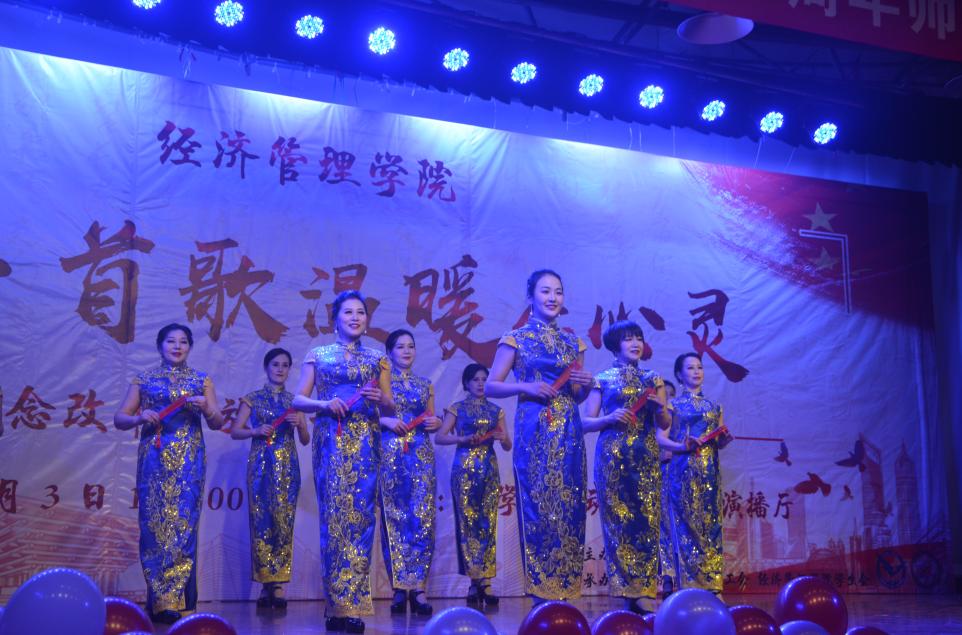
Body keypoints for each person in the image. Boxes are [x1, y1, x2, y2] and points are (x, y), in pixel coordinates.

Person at [484, 269, 593, 603]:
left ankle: (566, 590)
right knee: (538, 506)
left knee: (570, 506)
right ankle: (540, 594)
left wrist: (585, 386)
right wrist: (527, 387)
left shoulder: (574, 343)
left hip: (569, 432)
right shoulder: (515, 339)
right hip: (534, 429)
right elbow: (491, 386)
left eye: (558, 292)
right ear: (530, 296)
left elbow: (576, 396)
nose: (552, 298)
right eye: (545, 291)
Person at [293, 291, 393, 633]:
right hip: (331, 443)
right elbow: (298, 399)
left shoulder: (378, 359)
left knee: (361, 519)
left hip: (366, 442)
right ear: (335, 318)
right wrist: (324, 405)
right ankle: (336, 604)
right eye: (348, 312)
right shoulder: (318, 354)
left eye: (360, 312)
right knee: (335, 520)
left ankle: (352, 606)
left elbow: (391, 405)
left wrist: (380, 398)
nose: (355, 318)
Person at [113, 323, 225, 624]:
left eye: (183, 342)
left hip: (189, 460)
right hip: (154, 459)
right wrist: (139, 417)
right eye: (171, 341)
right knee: (154, 526)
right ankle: (159, 598)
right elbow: (120, 418)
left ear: (190, 347)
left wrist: (207, 408)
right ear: (159, 345)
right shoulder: (144, 379)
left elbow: (217, 422)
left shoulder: (201, 380)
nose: (177, 346)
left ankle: (176, 599)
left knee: (183, 525)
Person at [581, 321, 671, 614]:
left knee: (647, 520)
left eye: (639, 338)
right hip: (612, 457)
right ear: (615, 345)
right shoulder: (602, 379)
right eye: (628, 339)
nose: (635, 344)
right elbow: (585, 422)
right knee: (618, 521)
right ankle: (626, 589)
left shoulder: (653, 378)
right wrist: (609, 418)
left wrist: (659, 409)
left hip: (645, 456)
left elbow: (665, 423)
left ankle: (644, 589)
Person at [230, 347, 310, 609]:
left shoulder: (295, 402)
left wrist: (300, 424)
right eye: (275, 364)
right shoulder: (252, 399)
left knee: (284, 522)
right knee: (261, 520)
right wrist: (255, 431)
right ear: (266, 367)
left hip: (287, 467)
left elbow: (305, 440)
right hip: (261, 466)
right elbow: (235, 431)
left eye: (285, 365)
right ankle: (266, 583)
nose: (280, 369)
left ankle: (278, 584)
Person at [377, 329, 441, 616]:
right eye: (400, 346)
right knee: (394, 518)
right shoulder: (380, 384)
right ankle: (398, 587)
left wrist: (436, 423)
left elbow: (432, 418)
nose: (406, 351)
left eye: (411, 346)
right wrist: (386, 422)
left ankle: (419, 587)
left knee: (422, 517)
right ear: (389, 352)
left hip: (420, 454)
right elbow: (369, 417)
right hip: (390, 453)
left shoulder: (425, 384)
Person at [436, 363, 510, 608]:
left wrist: (503, 438)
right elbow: (440, 436)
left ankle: (485, 582)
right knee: (467, 523)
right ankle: (473, 581)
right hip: (464, 470)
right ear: (466, 383)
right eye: (475, 379)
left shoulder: (496, 411)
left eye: (484, 379)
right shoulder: (457, 408)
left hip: (489, 469)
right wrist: (462, 438)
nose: (480, 383)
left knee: (488, 522)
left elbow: (508, 445)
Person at [661, 353, 732, 595]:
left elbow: (717, 441)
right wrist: (682, 446)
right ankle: (687, 586)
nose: (696, 371)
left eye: (699, 367)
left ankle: (712, 584)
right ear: (679, 375)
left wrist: (723, 441)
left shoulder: (715, 407)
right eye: (690, 368)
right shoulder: (672, 405)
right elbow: (660, 438)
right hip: (681, 470)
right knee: (685, 524)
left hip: (709, 471)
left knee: (710, 525)